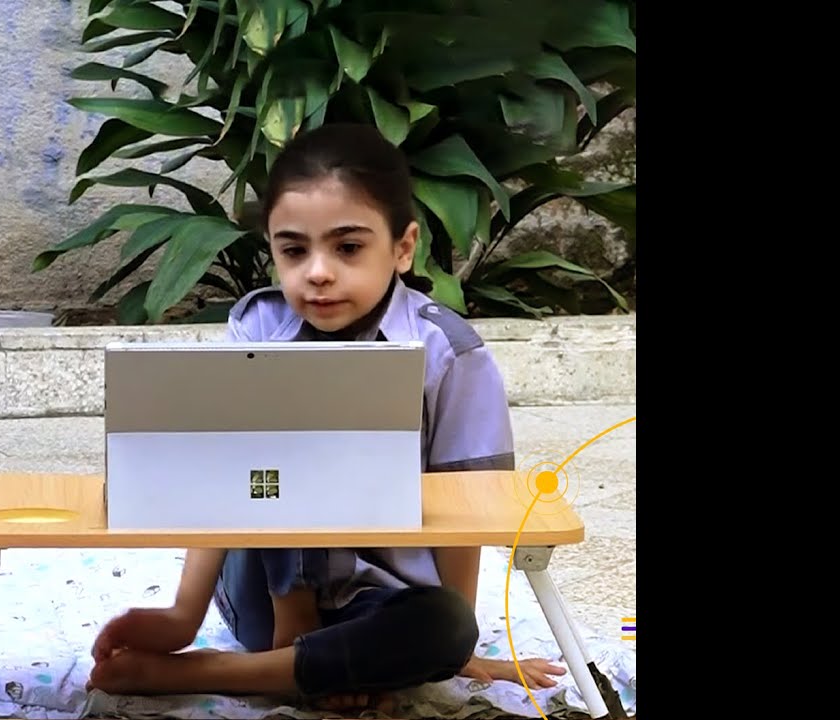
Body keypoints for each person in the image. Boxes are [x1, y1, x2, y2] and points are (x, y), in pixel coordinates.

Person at [86, 123, 566, 713]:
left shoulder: (449, 353)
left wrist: (456, 648)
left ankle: (228, 673)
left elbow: (466, 508)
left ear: (403, 247)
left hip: (379, 600)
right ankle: (298, 657)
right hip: (263, 597)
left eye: (348, 248)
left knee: (444, 627)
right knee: (277, 454)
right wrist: (182, 617)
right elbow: (224, 482)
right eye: (293, 251)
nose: (317, 272)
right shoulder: (258, 328)